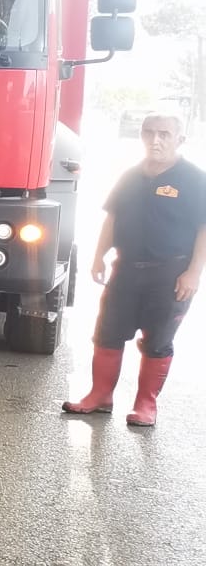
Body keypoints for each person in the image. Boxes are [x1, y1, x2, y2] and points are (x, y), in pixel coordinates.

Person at [62, 112, 206, 427]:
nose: (156, 140)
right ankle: (100, 396)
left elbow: (203, 228)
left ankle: (145, 405)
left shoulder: (195, 179)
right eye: (149, 133)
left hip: (170, 274)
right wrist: (99, 255)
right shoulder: (130, 176)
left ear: (179, 139)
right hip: (126, 270)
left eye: (164, 134)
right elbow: (112, 217)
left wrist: (194, 272)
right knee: (107, 332)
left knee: (158, 339)